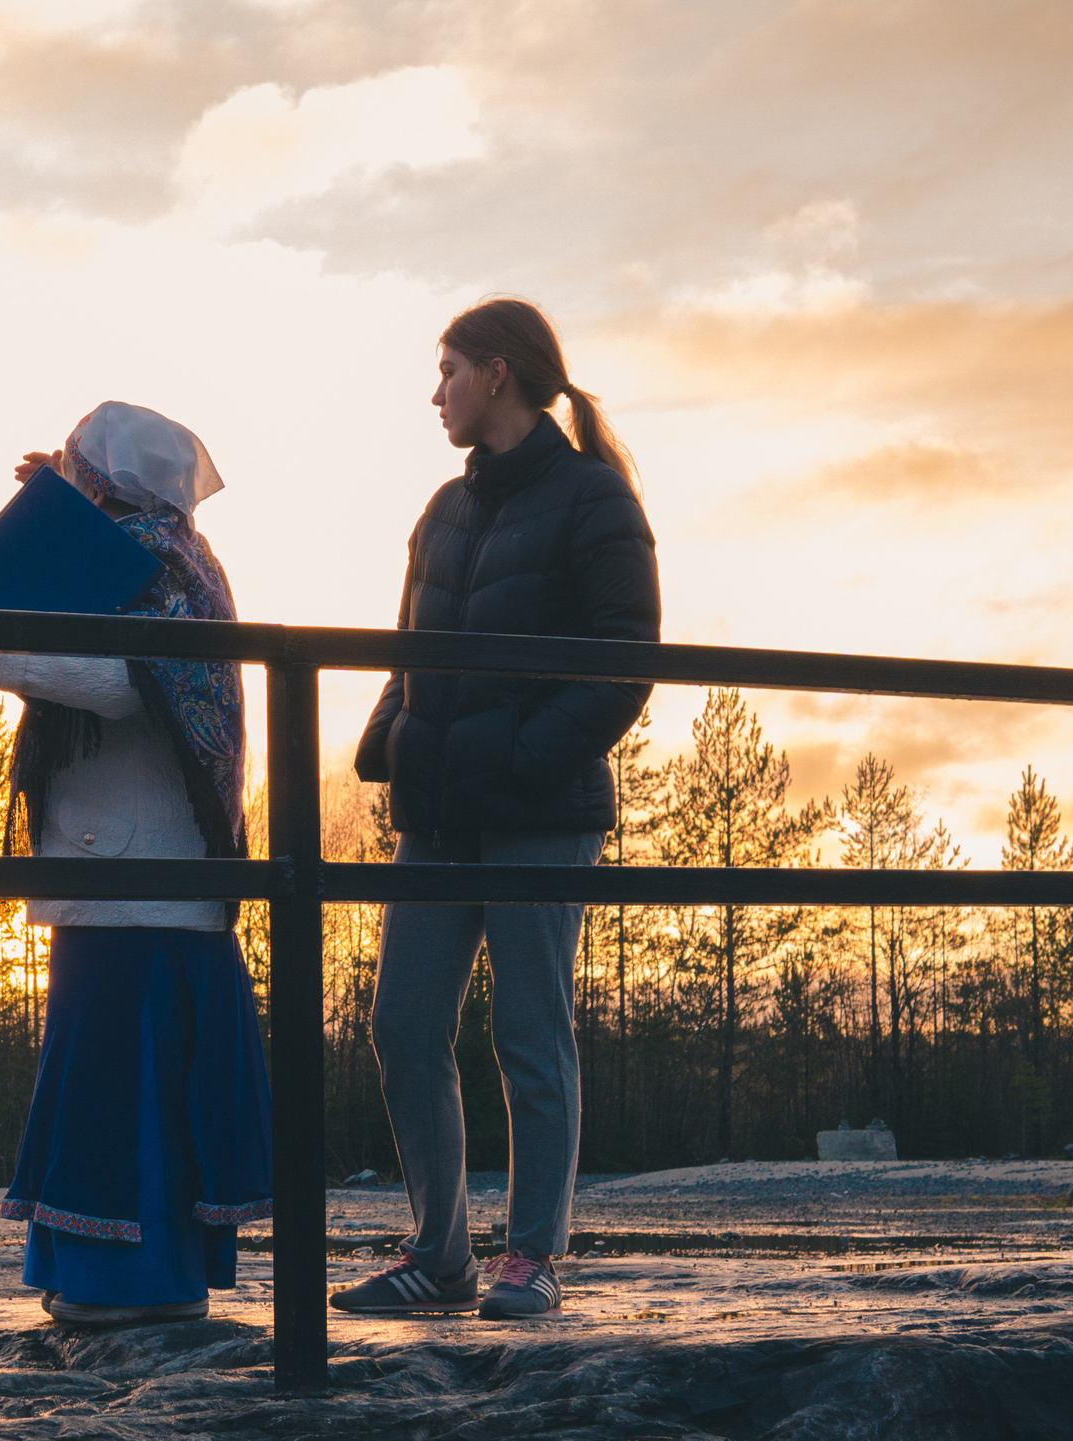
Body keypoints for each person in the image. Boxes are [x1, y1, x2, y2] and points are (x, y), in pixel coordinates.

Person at [331, 298, 658, 1322]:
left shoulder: (591, 500)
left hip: (536, 807)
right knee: (403, 1023)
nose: (436, 394)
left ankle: (531, 1255)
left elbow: (625, 662)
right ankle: (438, 1254)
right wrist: (387, 740)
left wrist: (521, 757)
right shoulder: (443, 508)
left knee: (528, 1026)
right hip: (437, 812)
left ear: (501, 374)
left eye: (449, 372)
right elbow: (404, 646)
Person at [0, 402, 272, 1327]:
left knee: (122, 1089)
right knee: (119, 1082)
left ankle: (130, 1280)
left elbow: (136, 681)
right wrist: (39, 526)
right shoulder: (150, 551)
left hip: (140, 872)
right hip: (121, 868)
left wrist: (4, 653)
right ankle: (109, 1272)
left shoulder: (164, 562)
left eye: (82, 465)